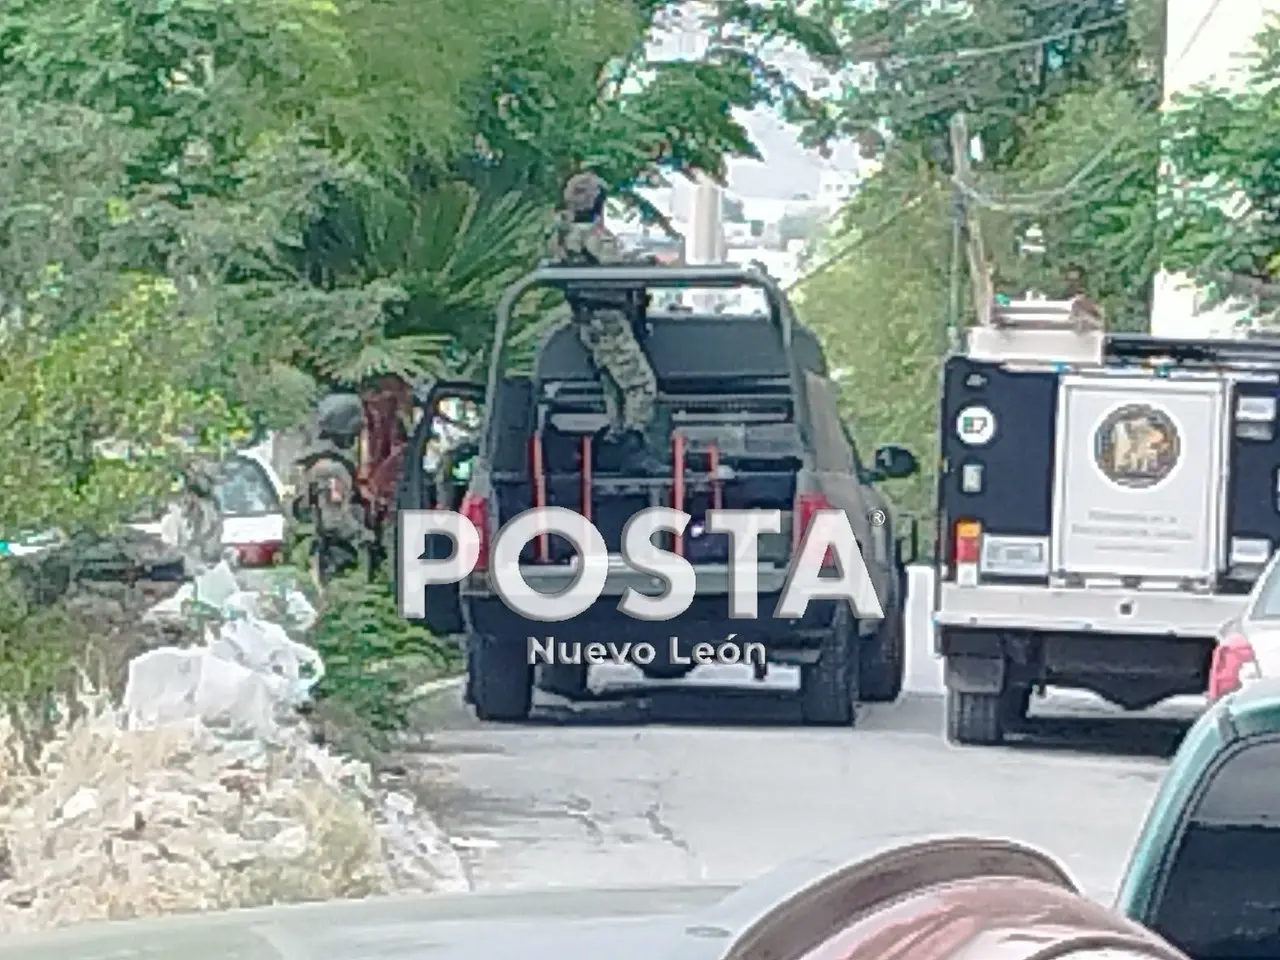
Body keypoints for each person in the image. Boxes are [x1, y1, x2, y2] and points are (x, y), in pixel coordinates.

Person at [546, 172, 664, 475]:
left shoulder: (560, 235)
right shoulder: (589, 234)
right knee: (641, 386)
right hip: (608, 317)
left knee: (615, 390)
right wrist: (646, 264)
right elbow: (616, 266)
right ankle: (633, 448)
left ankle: (615, 446)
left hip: (589, 319)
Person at [292, 393, 374, 587]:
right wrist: (366, 537)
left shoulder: (321, 464)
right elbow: (334, 521)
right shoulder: (330, 469)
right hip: (337, 557)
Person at [168, 459, 225, 577]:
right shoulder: (181, 507)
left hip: (204, 560)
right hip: (192, 562)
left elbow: (213, 529)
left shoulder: (210, 505)